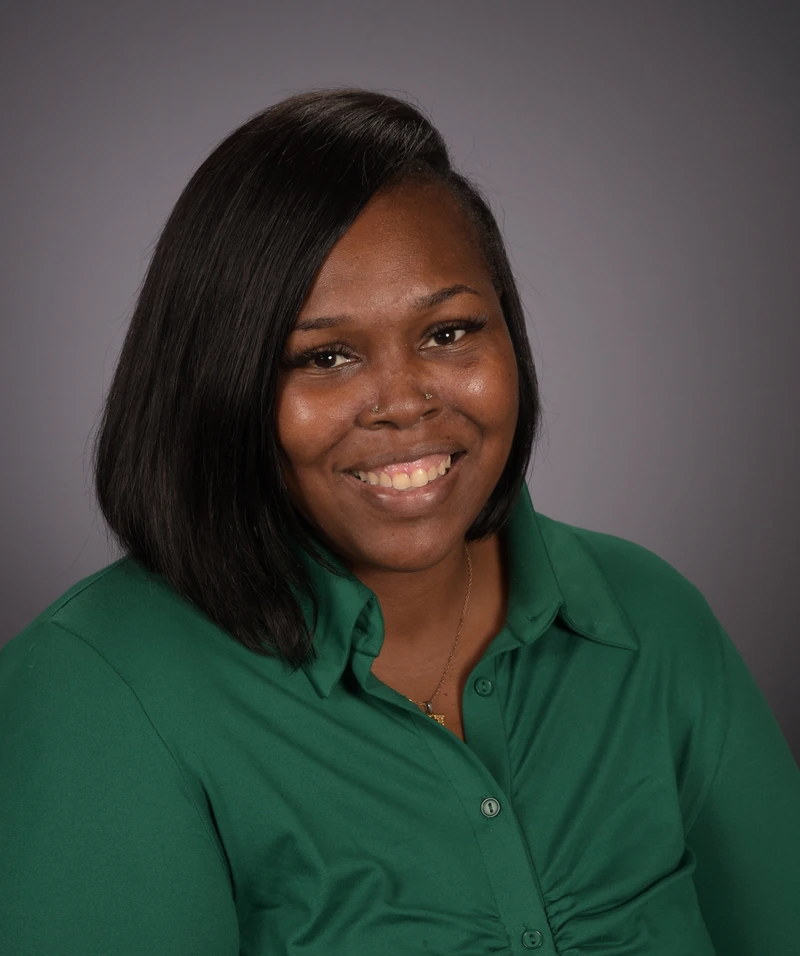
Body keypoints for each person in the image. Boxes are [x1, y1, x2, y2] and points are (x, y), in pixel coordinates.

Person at [1, 87, 798, 956]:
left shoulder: (649, 618)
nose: (406, 401)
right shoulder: (96, 692)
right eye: (326, 356)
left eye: (450, 333)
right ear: (219, 386)